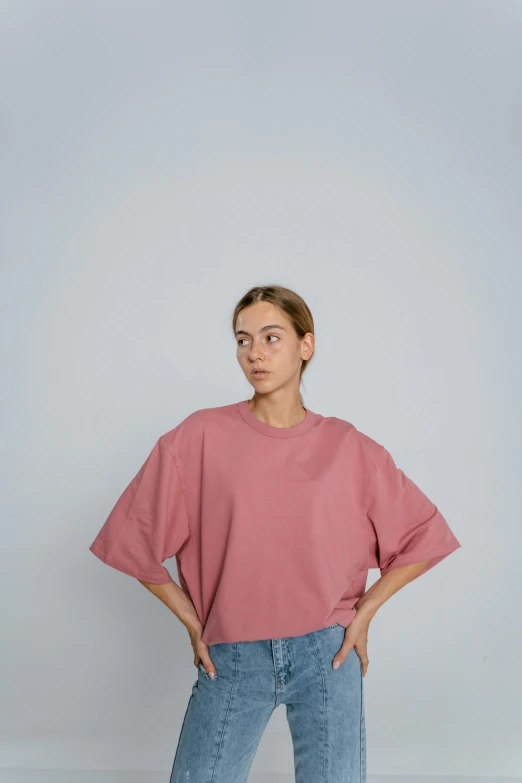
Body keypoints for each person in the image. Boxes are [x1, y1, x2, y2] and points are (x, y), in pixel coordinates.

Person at [89, 284, 461, 783]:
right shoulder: (199, 437)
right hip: (233, 659)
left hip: (328, 655)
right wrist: (194, 623)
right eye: (243, 340)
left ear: (306, 345)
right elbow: (130, 540)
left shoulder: (347, 447)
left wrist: (365, 611)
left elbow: (424, 534)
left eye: (271, 337)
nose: (254, 354)